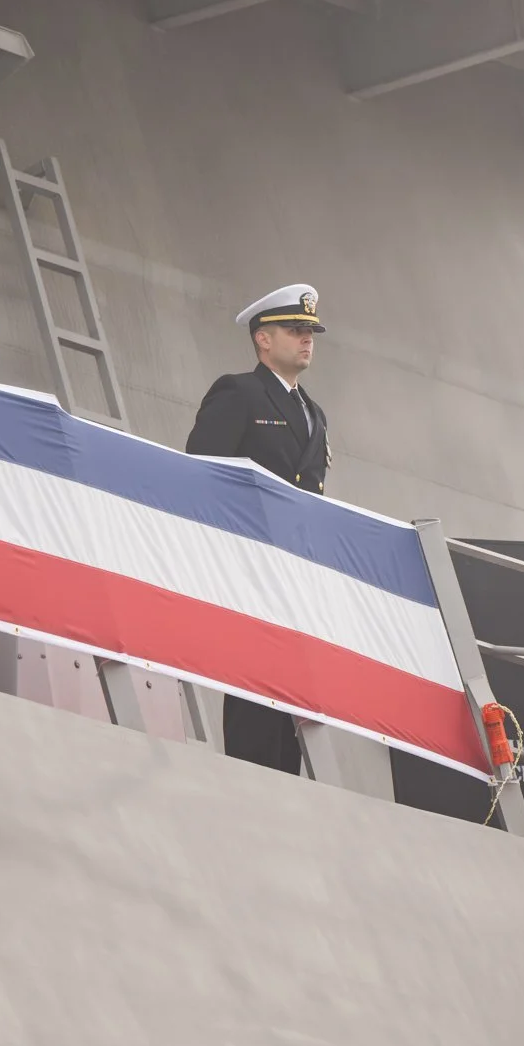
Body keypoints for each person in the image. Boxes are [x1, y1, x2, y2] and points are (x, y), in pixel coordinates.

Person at [186, 284, 331, 773]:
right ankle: (250, 776)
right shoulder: (240, 392)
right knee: (252, 684)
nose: (307, 339)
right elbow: (202, 472)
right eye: (296, 330)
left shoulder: (314, 414)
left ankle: (286, 779)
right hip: (248, 565)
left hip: (294, 571)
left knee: (288, 690)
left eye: (311, 331)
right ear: (263, 340)